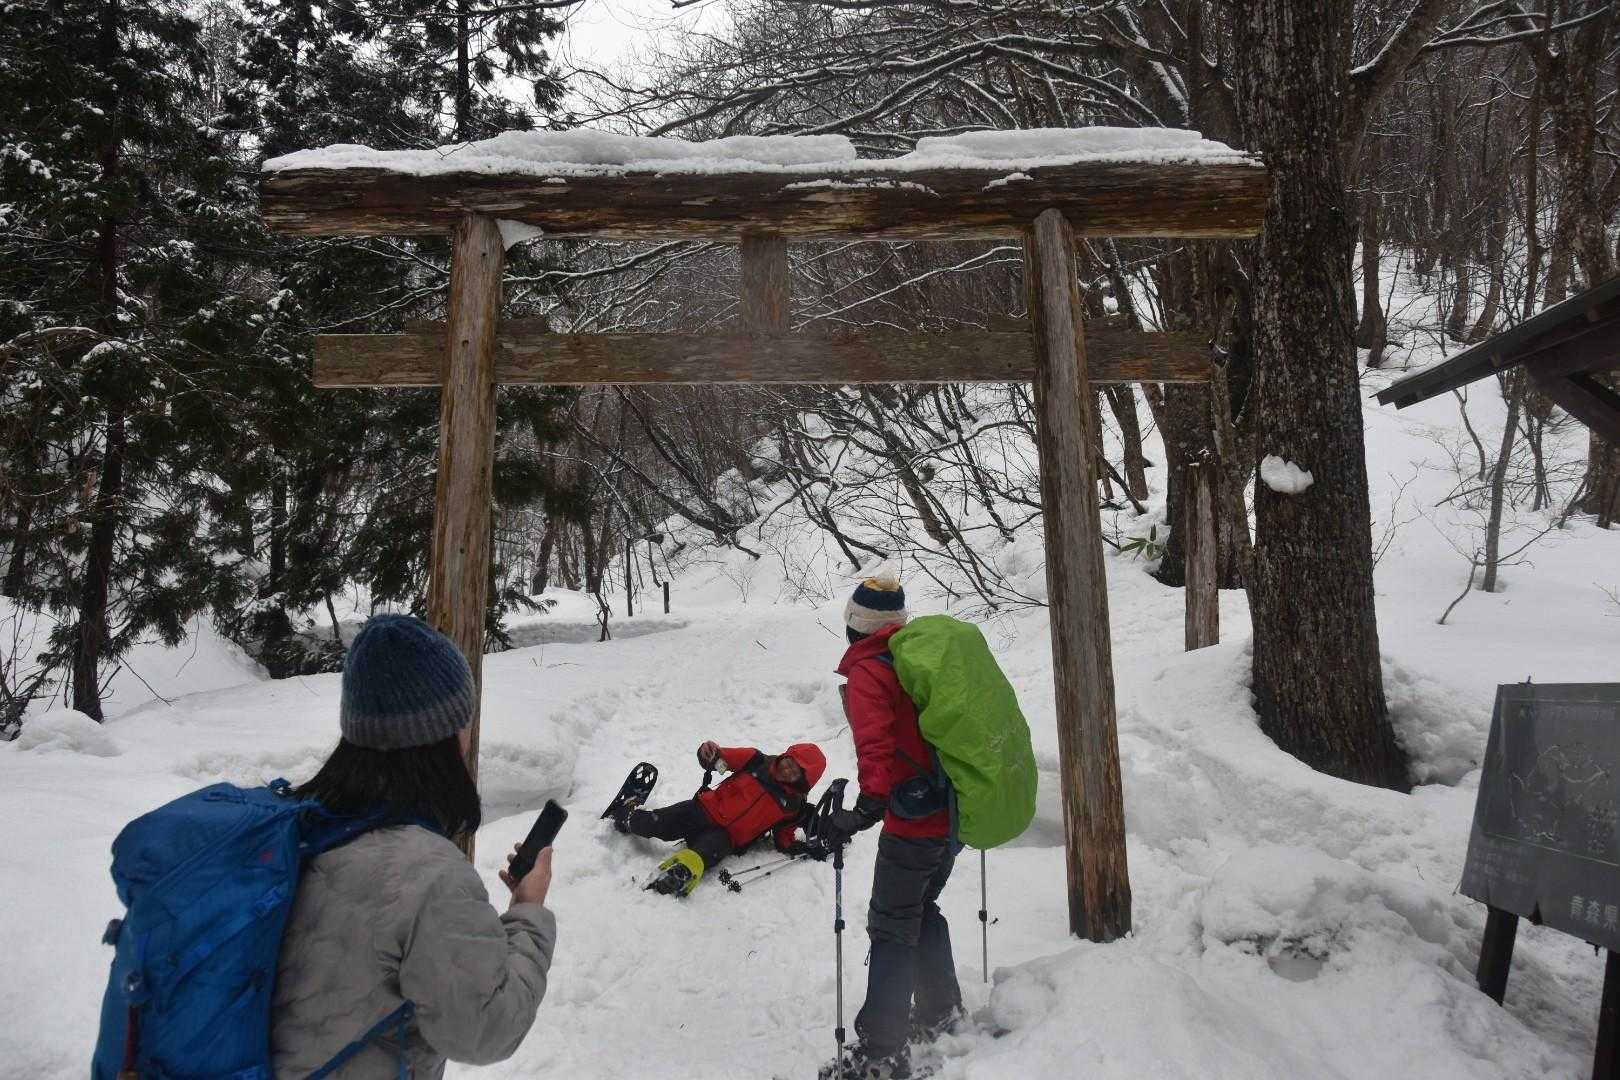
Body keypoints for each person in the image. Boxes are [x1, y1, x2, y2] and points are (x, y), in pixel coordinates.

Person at [272, 614, 556, 1079]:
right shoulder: (431, 878)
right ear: (445, 733)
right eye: (465, 719)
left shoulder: (296, 824)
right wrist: (528, 911)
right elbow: (487, 1029)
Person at [819, 577, 962, 1080]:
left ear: (855, 625)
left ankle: (882, 1052)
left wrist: (865, 809)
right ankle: (941, 1012)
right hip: (954, 813)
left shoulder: (870, 671)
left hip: (914, 820)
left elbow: (876, 748)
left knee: (891, 924)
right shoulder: (918, 657)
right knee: (920, 908)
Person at [613, 740, 827, 895]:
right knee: (657, 823)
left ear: (803, 781)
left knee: (704, 852)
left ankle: (679, 875)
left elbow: (783, 837)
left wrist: (802, 847)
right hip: (700, 811)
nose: (788, 770)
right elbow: (719, 757)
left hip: (725, 837)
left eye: (796, 772)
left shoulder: (792, 806)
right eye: (790, 762)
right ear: (785, 756)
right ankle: (627, 816)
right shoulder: (756, 761)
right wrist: (708, 752)